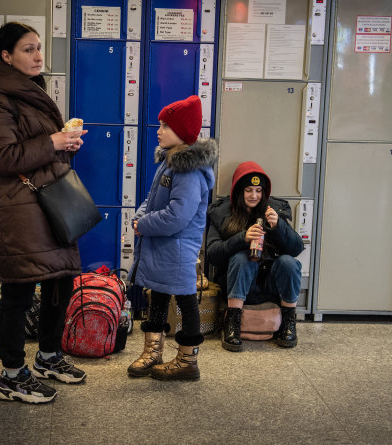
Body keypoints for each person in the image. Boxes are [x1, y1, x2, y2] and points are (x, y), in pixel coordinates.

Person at [0, 22, 88, 404]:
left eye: (39, 48)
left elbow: (35, 147)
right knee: (19, 291)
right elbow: (2, 157)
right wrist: (53, 141)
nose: (38, 56)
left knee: (61, 280)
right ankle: (11, 376)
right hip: (15, 203)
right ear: (6, 56)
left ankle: (49, 357)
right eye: (28, 49)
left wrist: (64, 145)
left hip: (46, 196)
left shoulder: (26, 88)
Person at [127, 96, 217, 381]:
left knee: (186, 299)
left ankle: (188, 360)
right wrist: (140, 217)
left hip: (177, 247)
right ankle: (153, 352)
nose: (158, 130)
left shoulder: (188, 170)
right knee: (159, 294)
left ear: (182, 132)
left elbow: (177, 215)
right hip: (163, 244)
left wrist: (145, 224)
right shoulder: (169, 161)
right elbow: (151, 200)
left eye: (165, 125)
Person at [206, 161, 304, 351]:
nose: (254, 196)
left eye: (259, 191)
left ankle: (288, 323)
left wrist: (278, 227)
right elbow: (213, 254)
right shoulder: (223, 213)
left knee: (288, 262)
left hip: (269, 283)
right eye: (249, 190)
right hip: (239, 283)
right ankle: (232, 324)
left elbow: (296, 248)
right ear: (239, 191)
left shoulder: (273, 211)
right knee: (242, 257)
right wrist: (242, 238)